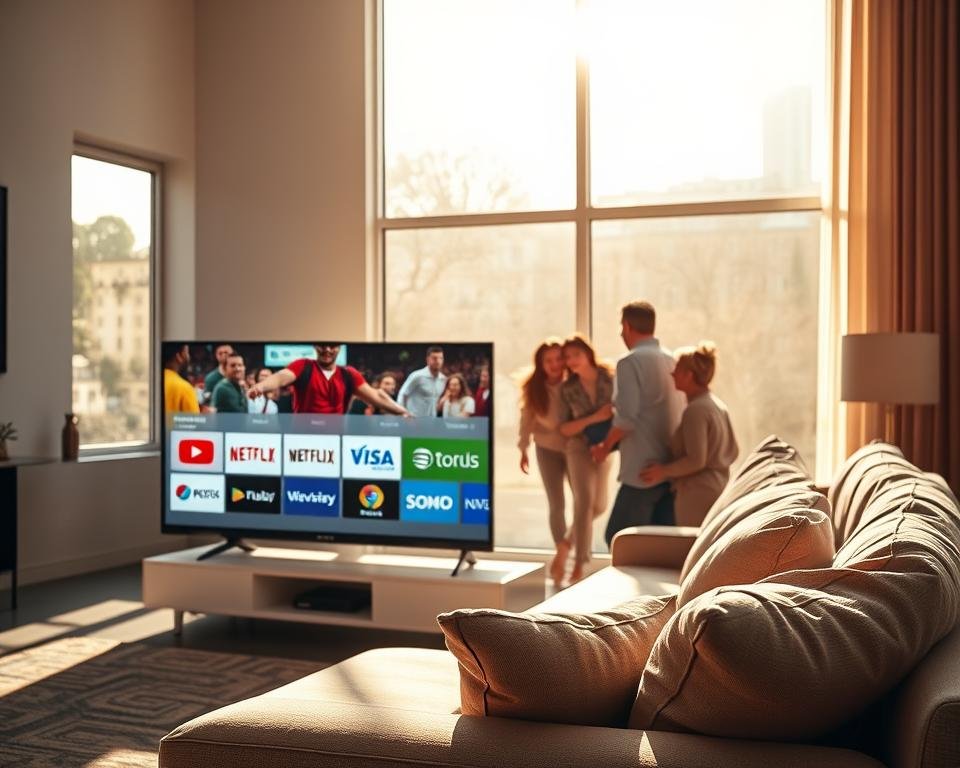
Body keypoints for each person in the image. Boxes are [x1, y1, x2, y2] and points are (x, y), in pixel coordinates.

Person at [591, 301, 685, 545]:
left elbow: (626, 420)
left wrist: (603, 448)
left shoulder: (628, 363)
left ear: (627, 326)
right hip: (667, 468)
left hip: (641, 472)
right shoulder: (672, 360)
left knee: (616, 538)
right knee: (658, 544)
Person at [639, 342, 739, 526]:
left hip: (698, 495)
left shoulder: (696, 411)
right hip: (717, 488)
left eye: (676, 368)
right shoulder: (717, 405)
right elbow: (734, 450)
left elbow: (696, 460)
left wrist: (662, 471)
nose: (672, 373)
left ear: (688, 375)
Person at [557, 334, 615, 584]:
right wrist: (595, 418)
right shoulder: (567, 388)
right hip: (578, 448)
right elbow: (565, 429)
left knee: (599, 506)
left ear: (588, 353)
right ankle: (580, 563)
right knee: (584, 501)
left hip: (605, 447)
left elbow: (619, 413)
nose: (571, 361)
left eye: (575, 355)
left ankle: (566, 544)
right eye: (567, 357)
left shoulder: (610, 378)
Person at [518, 338, 570, 583]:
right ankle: (562, 549)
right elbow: (526, 419)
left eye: (558, 359)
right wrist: (523, 449)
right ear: (540, 364)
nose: (554, 364)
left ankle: (568, 547)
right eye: (548, 360)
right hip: (546, 449)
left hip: (574, 449)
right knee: (556, 503)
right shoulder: (534, 387)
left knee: (584, 504)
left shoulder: (574, 381)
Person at [247, 344, 409, 416]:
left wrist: (402, 412)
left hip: (334, 441)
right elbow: (280, 377)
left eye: (332, 346)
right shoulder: (303, 366)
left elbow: (377, 396)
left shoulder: (349, 374)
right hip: (302, 441)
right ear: (315, 346)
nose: (327, 350)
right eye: (322, 346)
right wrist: (260, 387)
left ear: (339, 348)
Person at [397, 346, 446, 417]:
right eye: (434, 358)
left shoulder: (443, 379)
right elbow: (403, 394)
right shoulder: (417, 376)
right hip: (413, 421)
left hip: (432, 421)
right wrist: (403, 414)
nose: (438, 361)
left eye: (441, 358)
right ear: (428, 359)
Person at [163, 344, 199, 414]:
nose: (189, 357)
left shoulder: (153, 381)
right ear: (179, 356)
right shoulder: (184, 388)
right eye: (187, 352)